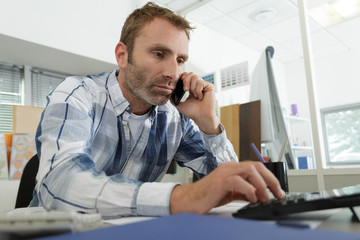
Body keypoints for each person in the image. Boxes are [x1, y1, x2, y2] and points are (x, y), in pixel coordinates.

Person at [30, 2, 285, 217]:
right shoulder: (77, 95)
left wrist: (209, 123)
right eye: (159, 54)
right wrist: (179, 198)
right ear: (122, 55)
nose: (173, 72)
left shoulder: (175, 119)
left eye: (180, 60)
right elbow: (59, 186)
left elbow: (234, 185)